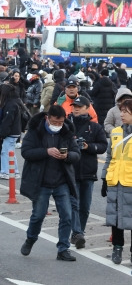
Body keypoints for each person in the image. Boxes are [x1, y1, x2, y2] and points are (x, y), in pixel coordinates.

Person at [20, 105, 80, 262]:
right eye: (55, 122)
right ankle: (30, 239)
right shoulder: (35, 130)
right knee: (38, 215)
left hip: (61, 181)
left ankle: (63, 249)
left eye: (61, 122)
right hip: (41, 182)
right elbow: (26, 152)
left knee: (67, 215)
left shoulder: (67, 132)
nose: (58, 125)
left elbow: (76, 154)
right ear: (48, 118)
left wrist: (67, 156)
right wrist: (45, 152)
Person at [67, 96, 108, 249]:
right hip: (71, 171)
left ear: (87, 107)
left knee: (85, 207)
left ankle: (79, 232)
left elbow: (103, 146)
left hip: (89, 172)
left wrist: (87, 146)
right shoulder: (67, 125)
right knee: (74, 204)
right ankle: (77, 232)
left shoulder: (95, 127)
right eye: (74, 106)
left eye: (79, 106)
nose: (76, 108)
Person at [101, 99, 132, 264]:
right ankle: (117, 248)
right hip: (115, 181)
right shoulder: (116, 133)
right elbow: (109, 157)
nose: (121, 115)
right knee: (115, 217)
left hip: (130, 182)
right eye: (121, 111)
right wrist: (104, 178)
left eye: (125, 112)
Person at [0, 84, 23, 180]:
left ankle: (6, 172)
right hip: (15, 131)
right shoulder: (15, 102)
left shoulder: (10, 104)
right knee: (11, 152)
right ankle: (15, 171)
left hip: (11, 132)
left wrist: (2, 133)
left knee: (5, 152)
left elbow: (7, 121)